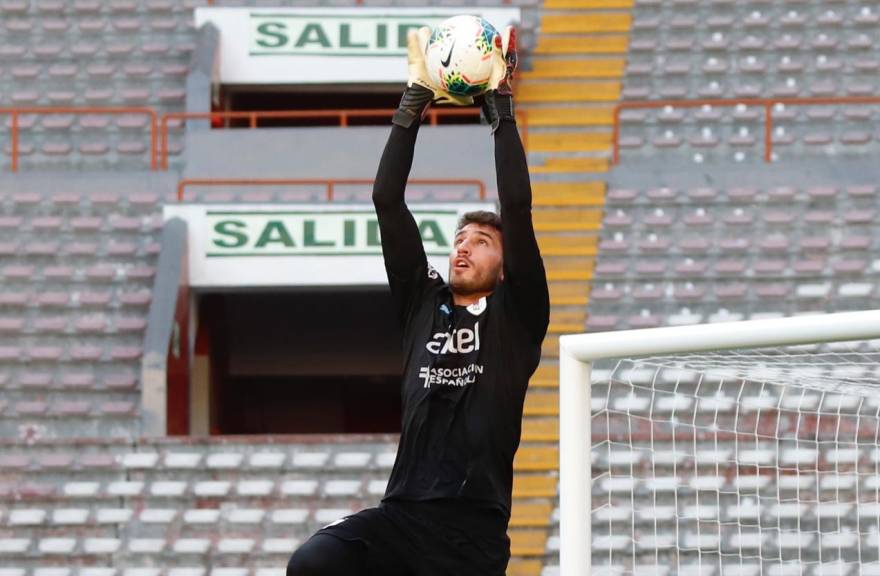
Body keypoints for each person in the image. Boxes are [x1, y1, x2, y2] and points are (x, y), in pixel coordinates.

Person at [287, 23, 549, 576]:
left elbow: (517, 207)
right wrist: (413, 103)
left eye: (481, 243)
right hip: (401, 518)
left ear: (506, 269)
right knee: (314, 563)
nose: (463, 248)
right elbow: (386, 199)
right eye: (459, 240)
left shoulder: (518, 317)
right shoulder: (422, 303)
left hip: (471, 536)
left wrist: (500, 112)